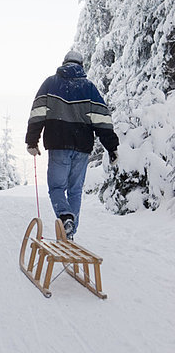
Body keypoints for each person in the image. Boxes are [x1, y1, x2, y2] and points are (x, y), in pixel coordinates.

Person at [25, 50, 119, 239]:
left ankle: (65, 216)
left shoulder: (50, 83)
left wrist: (32, 141)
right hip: (82, 147)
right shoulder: (89, 88)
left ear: (64, 63)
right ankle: (70, 232)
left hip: (58, 145)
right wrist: (112, 147)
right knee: (75, 191)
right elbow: (102, 119)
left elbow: (37, 112)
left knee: (57, 188)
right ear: (81, 65)